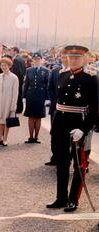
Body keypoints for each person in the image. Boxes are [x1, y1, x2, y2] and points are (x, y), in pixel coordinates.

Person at [47, 45, 98, 213]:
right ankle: (60, 197)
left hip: (79, 124)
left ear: (84, 59)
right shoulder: (62, 75)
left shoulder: (91, 79)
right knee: (61, 162)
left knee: (79, 164)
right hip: (61, 124)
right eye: (71, 57)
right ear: (67, 58)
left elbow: (95, 108)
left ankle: (72, 200)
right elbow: (58, 103)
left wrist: (83, 129)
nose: (74, 60)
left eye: (77, 57)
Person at [46, 51, 68, 166]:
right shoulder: (54, 71)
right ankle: (55, 157)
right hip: (55, 108)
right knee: (54, 134)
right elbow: (50, 88)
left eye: (66, 57)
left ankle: (66, 159)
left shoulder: (73, 71)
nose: (64, 59)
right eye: (63, 57)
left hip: (68, 110)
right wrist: (54, 101)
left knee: (66, 136)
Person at [0, 57, 19, 147]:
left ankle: (5, 139)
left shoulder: (14, 78)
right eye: (2, 65)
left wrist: (13, 106)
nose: (3, 67)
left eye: (5, 65)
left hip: (8, 102)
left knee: (7, 121)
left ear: (9, 66)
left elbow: (15, 93)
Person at [23, 52, 50, 144]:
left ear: (41, 60)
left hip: (41, 96)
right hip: (30, 95)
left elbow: (48, 85)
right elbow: (26, 84)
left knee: (38, 117)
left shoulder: (46, 71)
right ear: (32, 61)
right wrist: (24, 96)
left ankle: (36, 137)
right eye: (34, 59)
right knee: (30, 117)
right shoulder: (29, 70)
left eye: (38, 59)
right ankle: (30, 137)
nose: (36, 61)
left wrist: (47, 98)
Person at [10, 47, 26, 114]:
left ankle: (19, 109)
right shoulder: (21, 58)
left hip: (18, 79)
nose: (10, 52)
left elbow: (17, 71)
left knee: (18, 94)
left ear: (15, 51)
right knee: (19, 94)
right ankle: (20, 108)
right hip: (21, 79)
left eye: (11, 51)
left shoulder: (16, 60)